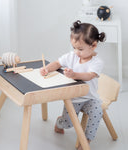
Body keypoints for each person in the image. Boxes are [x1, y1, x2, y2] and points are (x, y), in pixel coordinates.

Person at [40, 20, 105, 150]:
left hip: (90, 98)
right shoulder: (72, 56)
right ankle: (60, 122)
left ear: (93, 46)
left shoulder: (97, 62)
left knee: (98, 112)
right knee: (67, 123)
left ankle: (86, 140)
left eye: (80, 49)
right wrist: (47, 69)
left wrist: (74, 74)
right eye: (74, 47)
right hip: (74, 98)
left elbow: (89, 75)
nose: (76, 52)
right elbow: (57, 63)